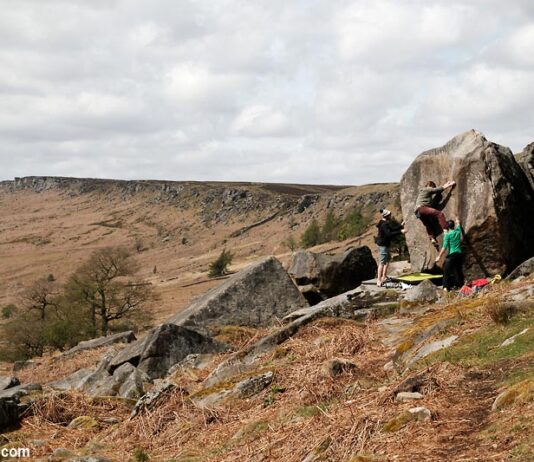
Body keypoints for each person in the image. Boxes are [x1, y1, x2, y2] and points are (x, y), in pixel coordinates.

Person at [415, 180, 456, 248]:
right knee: (440, 214)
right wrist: (449, 185)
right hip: (422, 209)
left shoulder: (423, 193)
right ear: (430, 186)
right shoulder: (427, 189)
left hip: (418, 212)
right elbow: (438, 190)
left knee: (428, 225)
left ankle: (432, 239)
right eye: (433, 187)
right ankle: (446, 231)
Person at [375, 209, 406, 287]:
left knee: (387, 260)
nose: (390, 216)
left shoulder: (384, 222)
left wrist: (400, 226)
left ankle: (384, 276)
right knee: (382, 262)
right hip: (383, 245)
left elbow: (391, 229)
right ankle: (378, 280)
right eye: (389, 215)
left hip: (385, 244)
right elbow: (389, 234)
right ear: (386, 216)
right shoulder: (384, 224)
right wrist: (400, 232)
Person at [435, 218, 464, 291]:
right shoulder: (457, 231)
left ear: (448, 227)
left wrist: (439, 257)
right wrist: (457, 220)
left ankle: (445, 287)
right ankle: (460, 285)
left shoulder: (447, 235)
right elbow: (458, 224)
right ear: (453, 225)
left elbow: (444, 247)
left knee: (446, 270)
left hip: (452, 255)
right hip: (459, 254)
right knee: (458, 270)